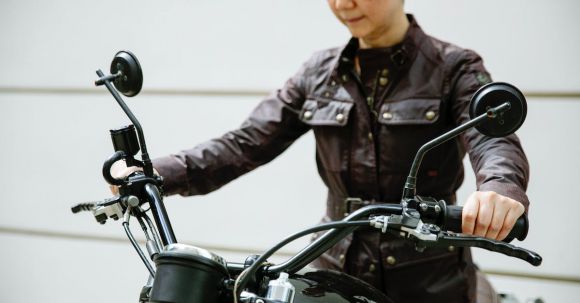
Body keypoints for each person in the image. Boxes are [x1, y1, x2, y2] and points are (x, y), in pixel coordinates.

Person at [112, 1, 529, 302]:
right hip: (332, 269)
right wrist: (154, 173)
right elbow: (245, 143)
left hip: (429, 279)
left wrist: (499, 190)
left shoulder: (453, 67)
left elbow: (493, 138)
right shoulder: (318, 72)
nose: (343, 3)